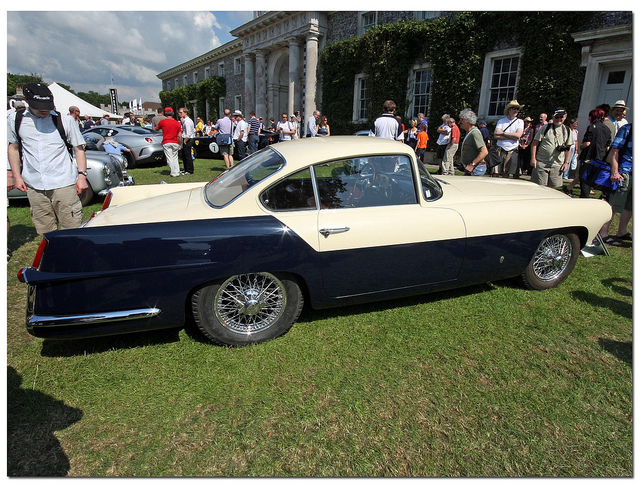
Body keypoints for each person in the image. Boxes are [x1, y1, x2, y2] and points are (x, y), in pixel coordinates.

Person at [7, 83, 88, 235]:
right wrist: (16, 176)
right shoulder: (15, 119)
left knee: (72, 229)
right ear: (26, 100)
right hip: (34, 184)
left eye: (47, 106)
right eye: (39, 107)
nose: (44, 110)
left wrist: (82, 176)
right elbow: (13, 148)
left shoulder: (65, 120)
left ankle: (71, 257)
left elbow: (79, 149)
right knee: (45, 231)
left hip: (63, 182)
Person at [565, 108, 611, 197]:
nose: (589, 119)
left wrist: (581, 147)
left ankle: (584, 199)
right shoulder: (607, 129)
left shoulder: (592, 127)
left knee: (584, 180)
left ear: (593, 117)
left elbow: (587, 143)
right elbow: (607, 147)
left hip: (588, 158)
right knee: (592, 180)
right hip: (600, 159)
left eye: (590, 116)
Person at [598, 123, 632, 246]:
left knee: (631, 205)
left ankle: (622, 231)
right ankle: (603, 233)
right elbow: (614, 151)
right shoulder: (628, 129)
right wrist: (615, 172)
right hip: (625, 172)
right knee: (613, 203)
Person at [530, 107, 573, 188]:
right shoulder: (545, 128)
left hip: (557, 165)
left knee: (554, 189)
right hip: (542, 163)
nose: (559, 119)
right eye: (556, 117)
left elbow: (568, 148)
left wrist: (566, 162)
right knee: (539, 188)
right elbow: (534, 143)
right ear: (553, 117)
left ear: (565, 117)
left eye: (561, 117)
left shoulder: (567, 130)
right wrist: (533, 158)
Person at [493, 100, 524, 178]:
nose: (516, 110)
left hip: (512, 150)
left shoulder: (520, 122)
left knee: (506, 173)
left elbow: (518, 136)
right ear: (509, 109)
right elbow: (496, 135)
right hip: (500, 149)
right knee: (495, 172)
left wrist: (503, 133)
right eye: (514, 108)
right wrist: (512, 136)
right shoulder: (501, 121)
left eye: (517, 109)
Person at [458, 108, 488, 176]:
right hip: (470, 169)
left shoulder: (475, 133)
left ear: (468, 121)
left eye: (462, 120)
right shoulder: (469, 133)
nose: (460, 122)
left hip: (476, 169)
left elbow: (484, 152)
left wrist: (472, 165)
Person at [156, 107, 182, 178]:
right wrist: (179, 143)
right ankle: (177, 171)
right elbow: (179, 135)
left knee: (170, 158)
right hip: (175, 141)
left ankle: (173, 172)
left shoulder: (163, 121)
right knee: (175, 157)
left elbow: (157, 128)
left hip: (166, 141)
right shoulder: (177, 123)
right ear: (173, 113)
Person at [178, 107, 195, 175]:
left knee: (187, 155)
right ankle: (186, 169)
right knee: (184, 155)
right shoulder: (184, 120)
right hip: (187, 138)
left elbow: (188, 133)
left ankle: (189, 170)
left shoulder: (187, 122)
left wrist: (185, 140)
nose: (179, 114)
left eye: (181, 112)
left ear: (185, 113)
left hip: (188, 139)